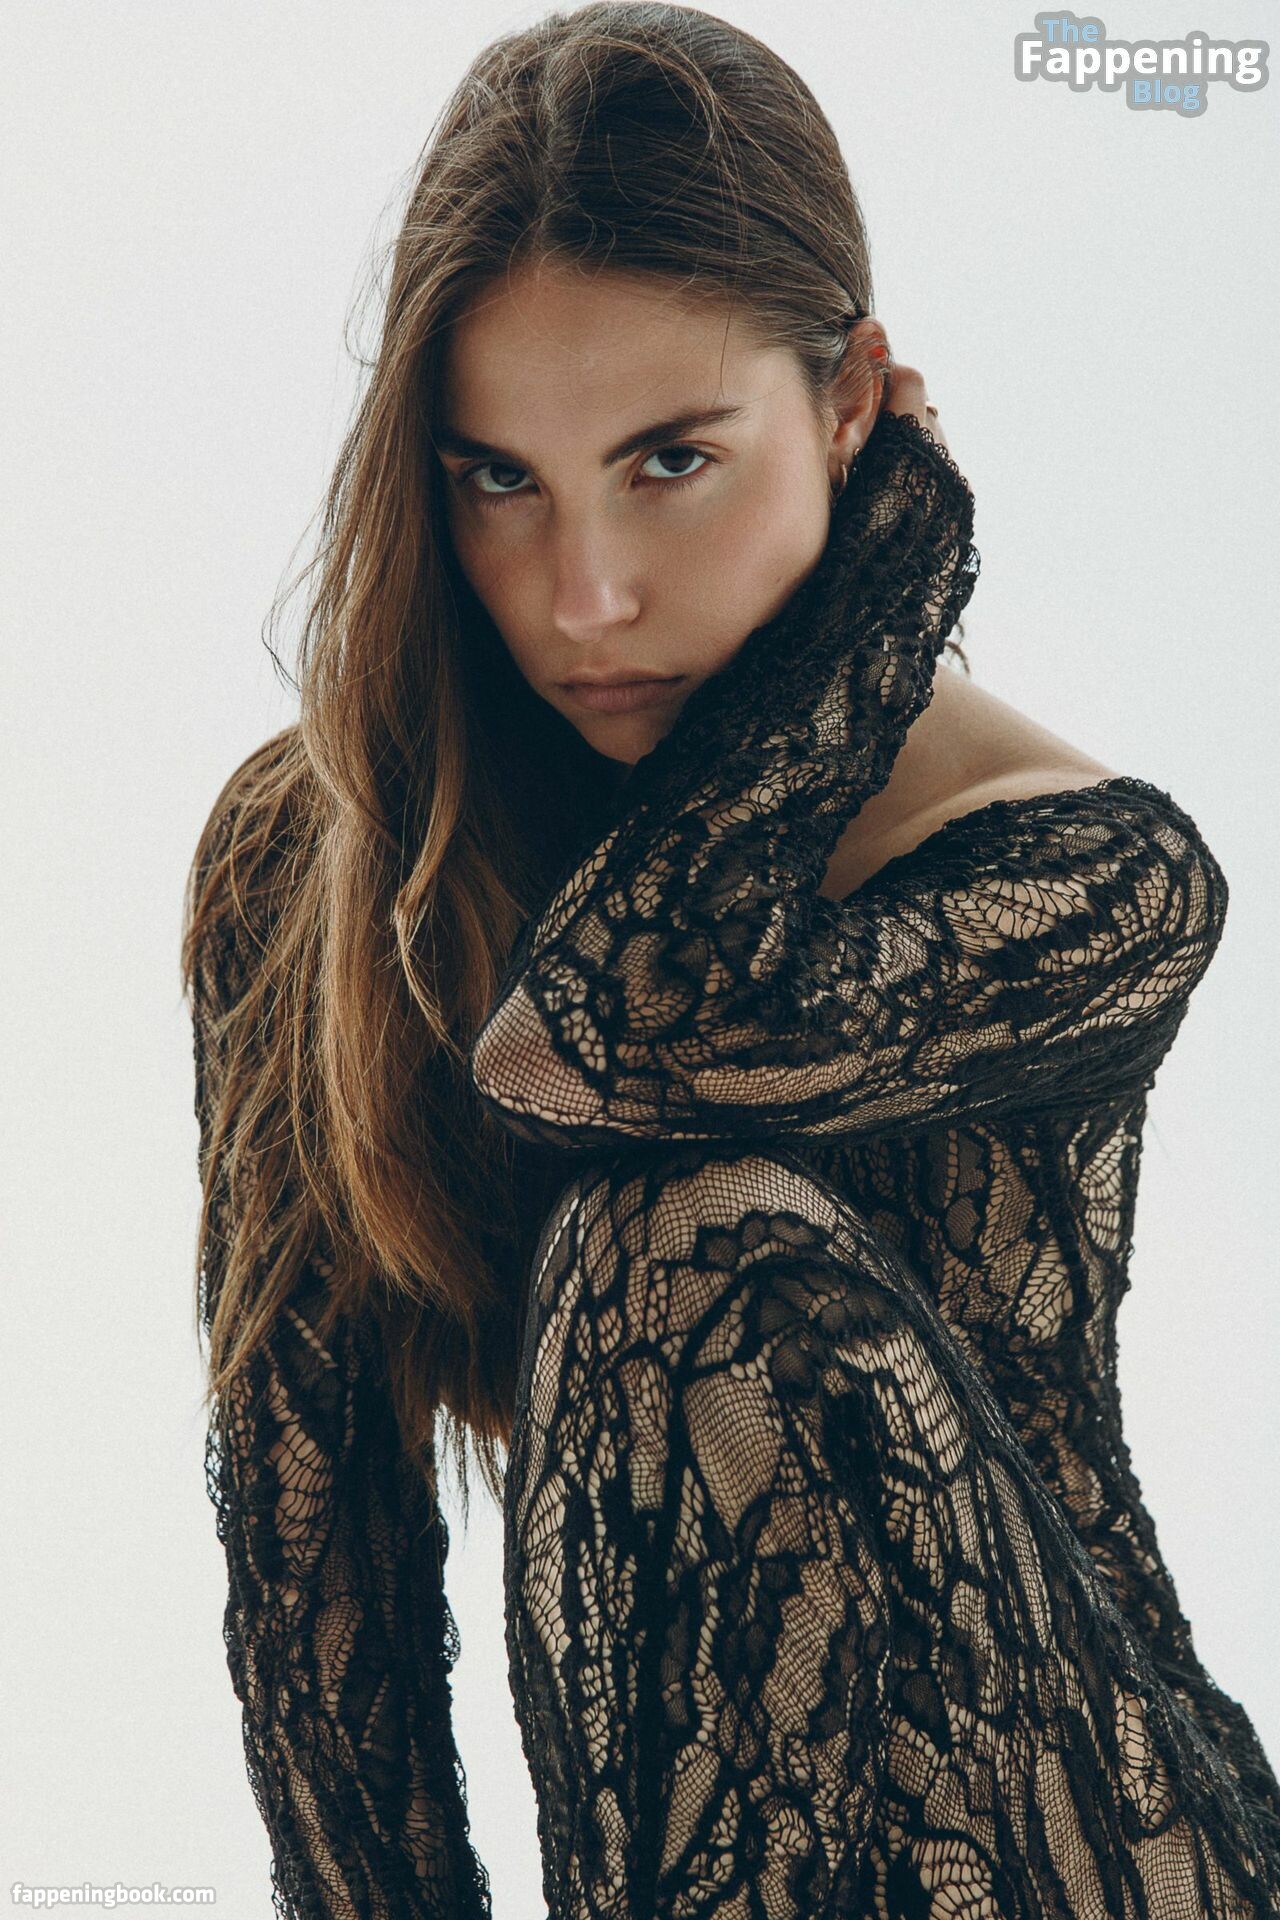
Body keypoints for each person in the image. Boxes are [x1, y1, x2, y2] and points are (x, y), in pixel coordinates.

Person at [182, 5, 1280, 1915]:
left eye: (672, 460)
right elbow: (315, 1597)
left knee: (675, 1241)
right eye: (498, 479)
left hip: (1096, 1851)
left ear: (854, 404)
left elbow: (599, 1046)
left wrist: (891, 586)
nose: (586, 596)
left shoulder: (1089, 874)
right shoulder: (331, 854)